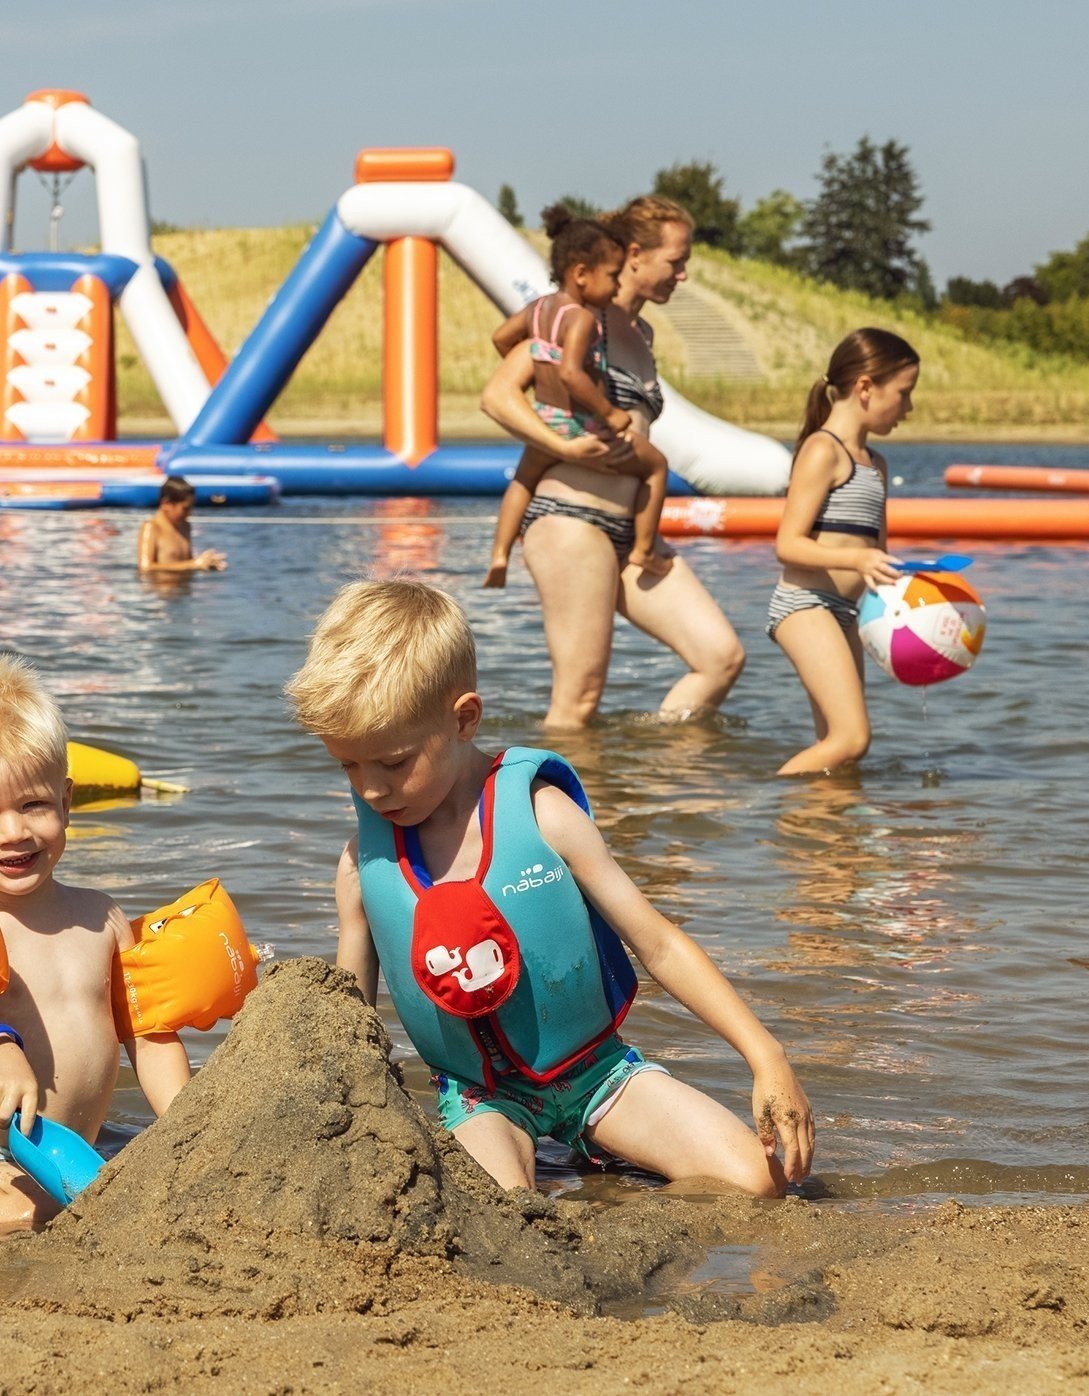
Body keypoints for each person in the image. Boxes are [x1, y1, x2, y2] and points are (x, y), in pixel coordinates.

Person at [285, 579, 813, 1196]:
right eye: (348, 764)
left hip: (596, 1073)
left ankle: (612, 1207)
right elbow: (349, 1023)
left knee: (754, 1182)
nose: (371, 789)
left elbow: (658, 943)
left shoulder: (544, 815)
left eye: (394, 762)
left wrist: (765, 1055)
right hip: (481, 1097)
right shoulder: (361, 867)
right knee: (503, 1211)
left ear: (464, 719)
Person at [0, 653, 193, 1232]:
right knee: (20, 1211)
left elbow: (146, 1034)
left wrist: (190, 1123)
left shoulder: (101, 916)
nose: (14, 832)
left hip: (69, 1152)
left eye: (33, 803)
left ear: (66, 801)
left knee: (112, 1190)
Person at [480, 195, 746, 727]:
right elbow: (498, 396)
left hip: (630, 531)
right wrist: (564, 447)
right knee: (579, 697)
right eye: (675, 261)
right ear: (633, 256)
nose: (684, 274)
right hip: (571, 521)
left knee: (720, 658)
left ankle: (649, 783)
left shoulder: (642, 335)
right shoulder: (576, 315)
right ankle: (554, 805)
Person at [768, 329, 920, 775]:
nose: (908, 409)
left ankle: (827, 837)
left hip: (845, 612)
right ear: (866, 388)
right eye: (904, 394)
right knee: (852, 739)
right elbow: (787, 544)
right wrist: (856, 560)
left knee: (836, 747)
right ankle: (767, 803)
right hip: (803, 605)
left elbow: (877, 553)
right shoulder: (822, 450)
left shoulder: (876, 464)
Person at [487, 206, 668, 575]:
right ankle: (645, 549)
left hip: (546, 416)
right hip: (580, 423)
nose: (617, 286)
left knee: (523, 479)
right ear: (582, 274)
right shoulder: (582, 319)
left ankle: (501, 553)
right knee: (657, 466)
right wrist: (609, 412)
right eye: (612, 276)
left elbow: (500, 338)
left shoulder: (537, 310)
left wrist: (540, 364)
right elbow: (572, 375)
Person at [136, 475, 226, 573]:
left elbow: (186, 563)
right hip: (160, 587)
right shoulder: (151, 527)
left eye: (191, 508)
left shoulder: (185, 526)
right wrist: (194, 564)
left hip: (184, 587)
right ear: (167, 504)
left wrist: (206, 563)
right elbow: (145, 567)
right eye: (185, 509)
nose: (190, 513)